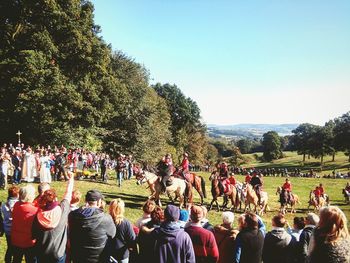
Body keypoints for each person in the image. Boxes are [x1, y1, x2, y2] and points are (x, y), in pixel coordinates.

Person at [32, 174, 74, 263]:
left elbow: (33, 234)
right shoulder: (62, 209)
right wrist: (71, 179)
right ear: (55, 199)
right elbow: (68, 194)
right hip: (58, 253)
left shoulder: (38, 214)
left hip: (41, 252)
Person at [69, 189, 116, 263]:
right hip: (99, 258)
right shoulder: (106, 218)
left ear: (85, 200)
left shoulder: (72, 215)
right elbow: (112, 234)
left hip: (79, 257)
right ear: (99, 202)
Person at [11, 184, 39, 263]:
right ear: (29, 196)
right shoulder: (34, 210)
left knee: (16, 259)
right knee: (31, 260)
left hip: (16, 240)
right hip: (28, 242)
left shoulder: (16, 205)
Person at [108, 198, 136, 263]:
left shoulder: (106, 220)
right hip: (122, 255)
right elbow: (132, 240)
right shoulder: (126, 223)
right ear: (122, 209)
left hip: (108, 253)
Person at [0, 185, 20, 263]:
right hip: (15, 229)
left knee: (9, 247)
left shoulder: (4, 205)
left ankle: (7, 260)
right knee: (16, 248)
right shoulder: (17, 204)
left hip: (7, 229)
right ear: (16, 195)